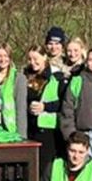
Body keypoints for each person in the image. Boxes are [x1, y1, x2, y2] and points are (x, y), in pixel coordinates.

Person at [25, 46, 63, 174]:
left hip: (48, 129)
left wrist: (45, 107)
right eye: (29, 59)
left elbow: (63, 103)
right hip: (30, 129)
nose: (32, 62)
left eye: (36, 58)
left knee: (46, 168)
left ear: (45, 57)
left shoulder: (56, 76)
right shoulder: (26, 75)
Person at [0, 44, 28, 137]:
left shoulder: (18, 78)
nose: (2, 59)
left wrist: (22, 137)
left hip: (10, 128)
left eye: (6, 56)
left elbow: (21, 110)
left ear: (10, 57)